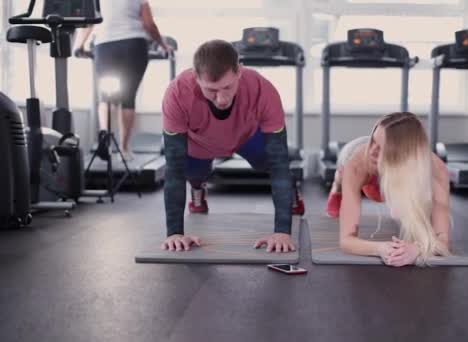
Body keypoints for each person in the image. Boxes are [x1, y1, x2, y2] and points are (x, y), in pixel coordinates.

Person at [161, 39, 303, 253]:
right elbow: (174, 169)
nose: (221, 99)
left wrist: (282, 232)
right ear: (196, 78)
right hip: (200, 142)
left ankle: (290, 187)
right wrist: (174, 234)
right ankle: (198, 189)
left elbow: (279, 161)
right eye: (211, 90)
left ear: (240, 72)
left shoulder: (262, 90)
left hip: (245, 136)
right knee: (192, 173)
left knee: (271, 165)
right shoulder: (177, 93)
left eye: (228, 87)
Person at [325, 112, 451, 266]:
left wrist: (417, 249)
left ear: (402, 154)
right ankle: (336, 188)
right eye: (373, 141)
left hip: (393, 177)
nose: (372, 151)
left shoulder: (437, 170)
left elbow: (442, 240)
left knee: (383, 196)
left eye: (380, 148)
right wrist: (379, 248)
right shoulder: (359, 162)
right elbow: (346, 241)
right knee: (341, 176)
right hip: (358, 160)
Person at [73, 0, 172, 161]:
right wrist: (163, 45)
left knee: (106, 96)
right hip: (133, 44)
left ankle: (105, 135)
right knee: (128, 97)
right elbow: (148, 24)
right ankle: (124, 149)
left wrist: (78, 46)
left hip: (105, 45)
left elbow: (89, 22)